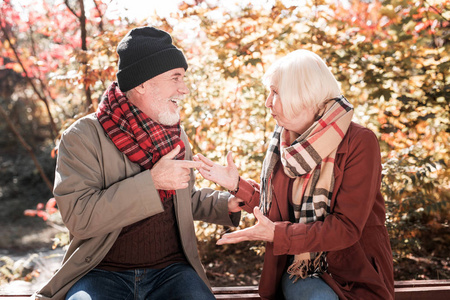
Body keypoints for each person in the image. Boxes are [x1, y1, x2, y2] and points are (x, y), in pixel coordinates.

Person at [33, 26, 242, 300]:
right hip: (100, 272)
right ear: (142, 83)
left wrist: (225, 204)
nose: (185, 89)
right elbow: (80, 218)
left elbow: (182, 199)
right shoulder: (82, 137)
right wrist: (152, 182)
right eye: (175, 78)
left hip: (172, 272)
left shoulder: (174, 134)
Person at [194, 49, 395, 300]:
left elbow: (346, 228)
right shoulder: (284, 141)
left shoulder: (360, 142)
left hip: (354, 272)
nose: (268, 102)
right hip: (303, 269)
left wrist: (278, 235)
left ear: (303, 95)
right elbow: (277, 210)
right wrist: (236, 185)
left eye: (275, 92)